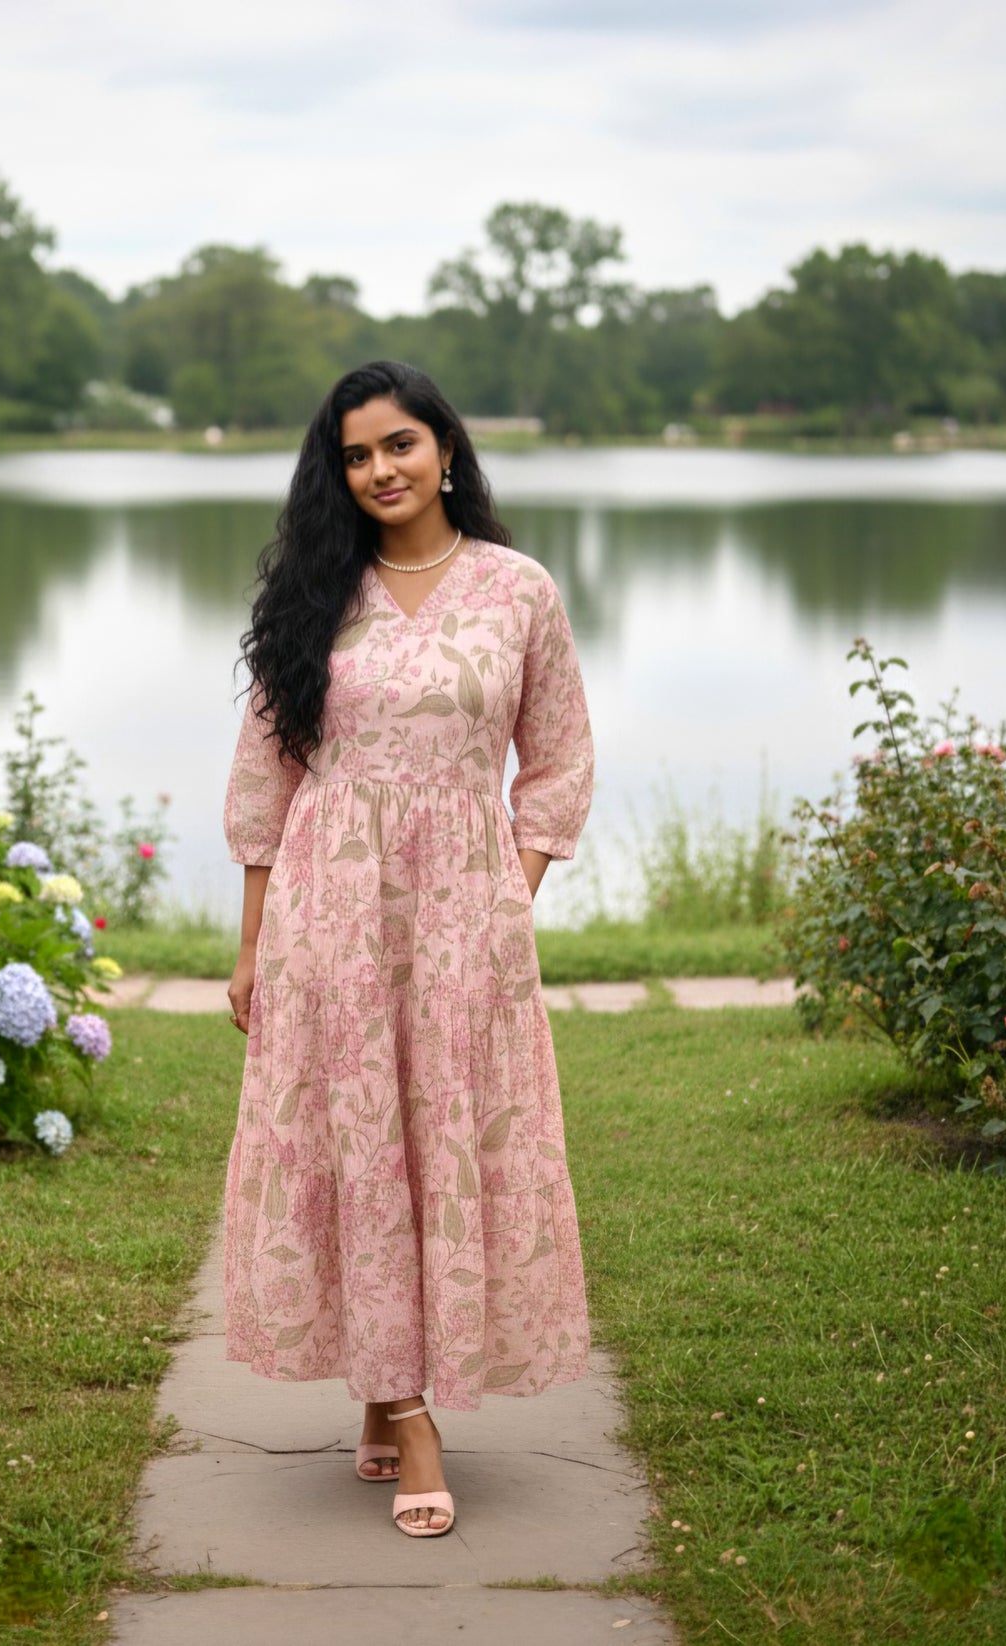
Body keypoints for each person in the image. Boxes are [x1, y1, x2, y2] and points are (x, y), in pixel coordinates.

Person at [222, 360, 593, 1539]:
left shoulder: (515, 589)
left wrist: (506, 896)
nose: (380, 470)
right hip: (328, 911)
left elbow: (557, 757)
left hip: (461, 915)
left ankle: (391, 1390)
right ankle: (406, 1410)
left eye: (399, 444)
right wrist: (249, 944)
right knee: (355, 1147)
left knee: (447, 1143)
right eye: (354, 454)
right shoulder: (315, 594)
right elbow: (263, 778)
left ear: (444, 447)